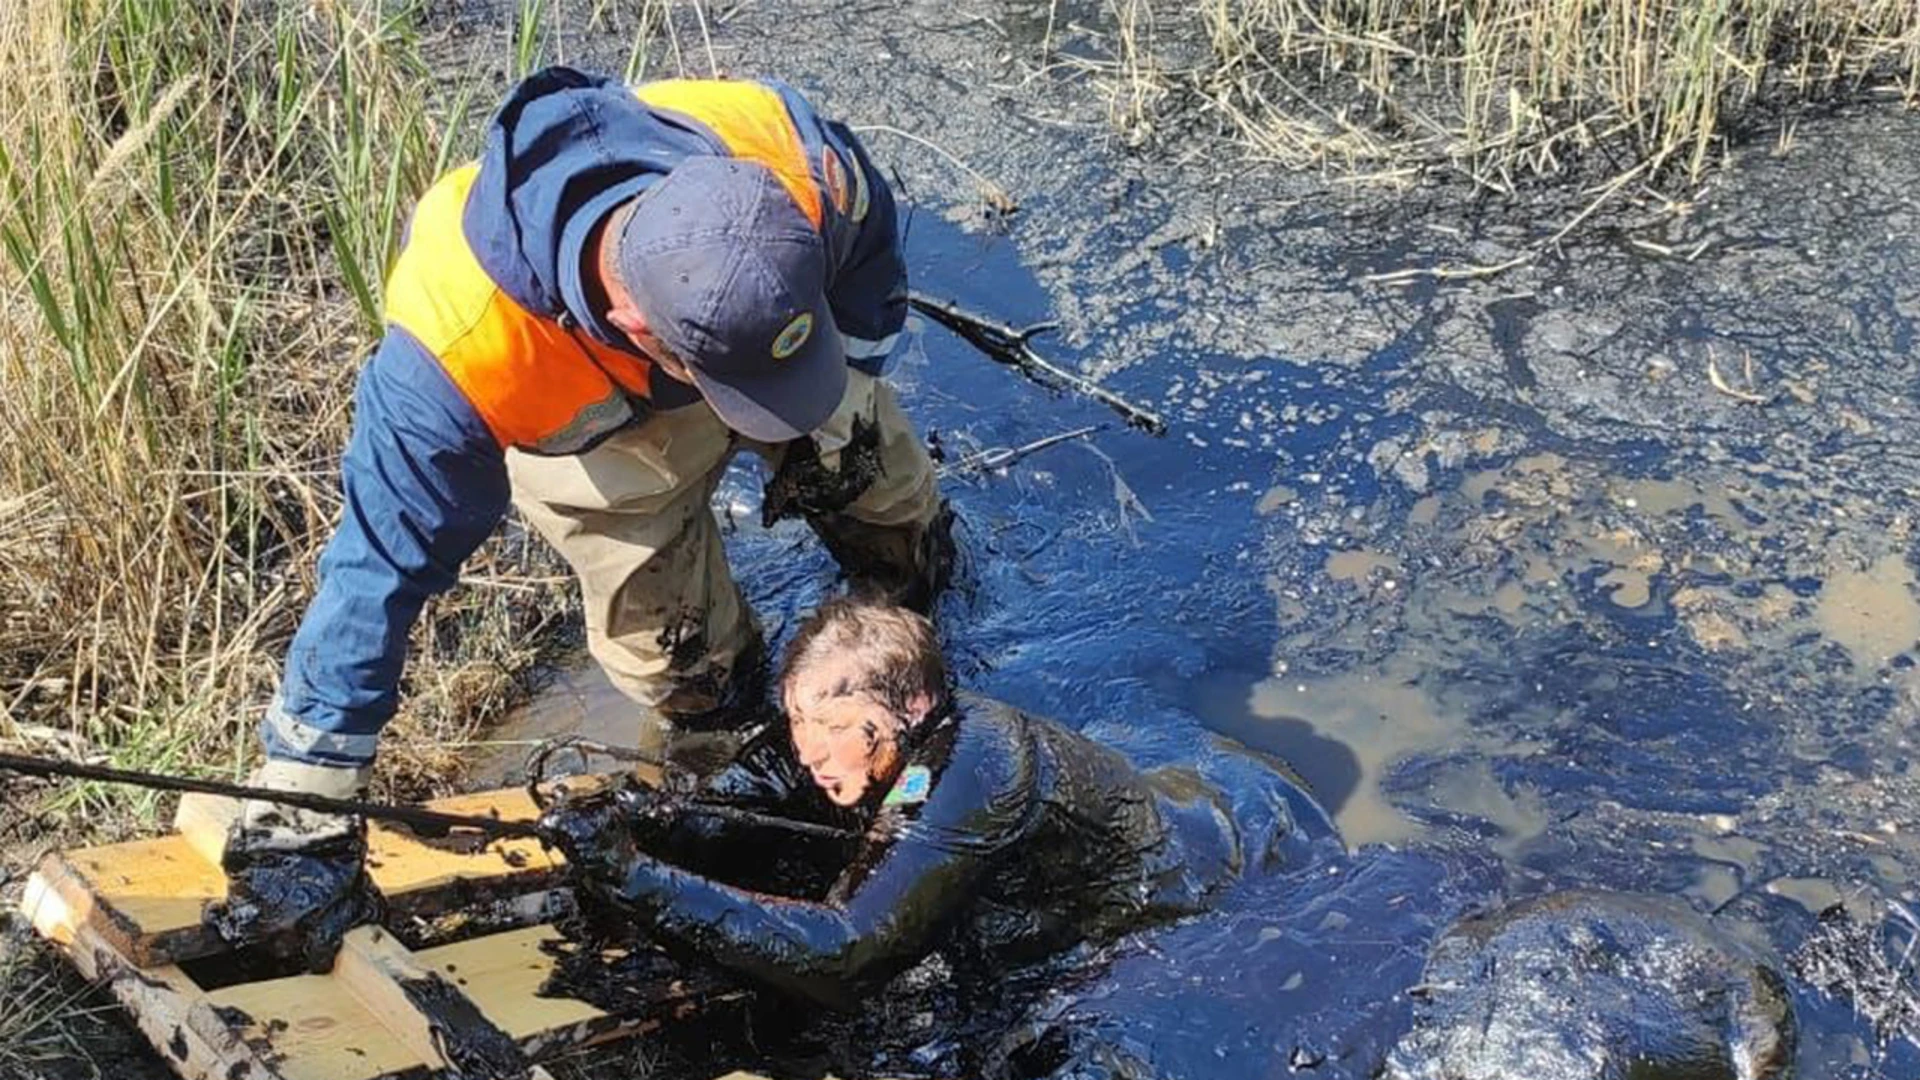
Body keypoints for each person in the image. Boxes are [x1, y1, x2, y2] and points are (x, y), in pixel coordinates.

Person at [207, 68, 952, 972]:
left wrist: (847, 386)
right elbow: (377, 575)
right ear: (636, 322)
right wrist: (305, 808)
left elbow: (867, 257)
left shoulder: (788, 161)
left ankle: (906, 620)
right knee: (685, 663)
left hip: (784, 337)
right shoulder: (459, 347)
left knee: (883, 490)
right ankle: (749, 743)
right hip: (597, 433)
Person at [539, 599, 1332, 1011]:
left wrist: (632, 877)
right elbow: (737, 803)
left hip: (1212, 877)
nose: (810, 750)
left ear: (912, 706)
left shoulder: (977, 773)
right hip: (1166, 799)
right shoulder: (851, 728)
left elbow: (845, 956)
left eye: (833, 729)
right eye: (797, 723)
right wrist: (648, 824)